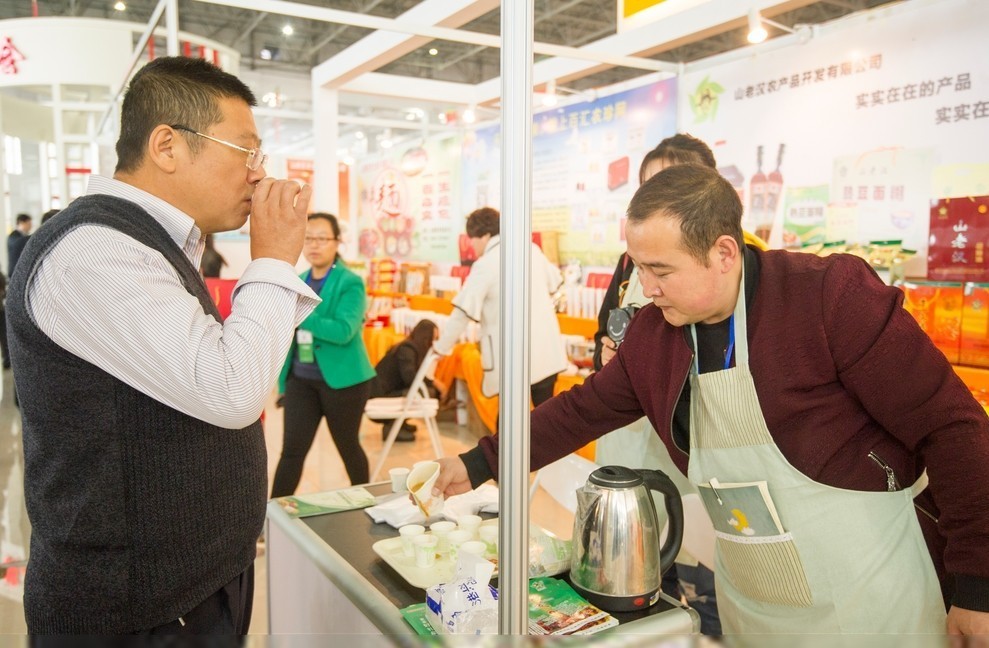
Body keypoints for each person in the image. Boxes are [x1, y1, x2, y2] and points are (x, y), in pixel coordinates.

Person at [436, 164, 989, 635]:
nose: (646, 288)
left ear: (723, 252)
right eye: (639, 268)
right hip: (754, 602)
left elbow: (953, 428)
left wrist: (977, 586)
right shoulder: (655, 337)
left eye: (661, 270)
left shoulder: (829, 298)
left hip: (871, 595)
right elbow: (580, 411)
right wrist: (478, 461)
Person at [7, 56, 316, 635]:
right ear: (167, 146)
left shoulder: (147, 243)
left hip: (183, 589)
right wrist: (273, 259)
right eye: (247, 153)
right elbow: (230, 389)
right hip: (135, 611)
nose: (258, 175)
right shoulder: (94, 253)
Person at [591, 133, 723, 635]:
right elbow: (607, 326)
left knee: (701, 563)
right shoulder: (631, 260)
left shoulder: (729, 263)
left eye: (668, 184)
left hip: (692, 438)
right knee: (638, 561)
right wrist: (608, 354)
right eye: (646, 187)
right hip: (629, 432)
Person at [270, 212, 375, 495]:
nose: (314, 245)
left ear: (337, 242)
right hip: (300, 380)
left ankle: (366, 502)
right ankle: (271, 515)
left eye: (322, 238)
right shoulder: (299, 280)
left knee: (348, 447)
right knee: (291, 452)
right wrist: (283, 382)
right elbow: (290, 335)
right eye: (308, 239)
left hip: (343, 381)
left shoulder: (350, 282)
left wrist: (300, 312)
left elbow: (344, 330)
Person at [433, 207, 567, 413]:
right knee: (548, 416)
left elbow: (462, 312)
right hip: (546, 352)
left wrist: (441, 348)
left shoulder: (485, 264)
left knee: (509, 421)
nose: (471, 246)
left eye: (472, 239)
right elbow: (555, 282)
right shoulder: (531, 249)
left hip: (515, 359)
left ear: (485, 235)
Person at [369, 319, 446, 442]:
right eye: (434, 339)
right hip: (379, 396)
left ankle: (399, 423)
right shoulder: (407, 350)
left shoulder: (409, 347)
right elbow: (410, 378)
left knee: (426, 391)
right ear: (425, 338)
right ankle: (392, 426)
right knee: (426, 393)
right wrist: (434, 382)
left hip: (383, 392)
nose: (434, 343)